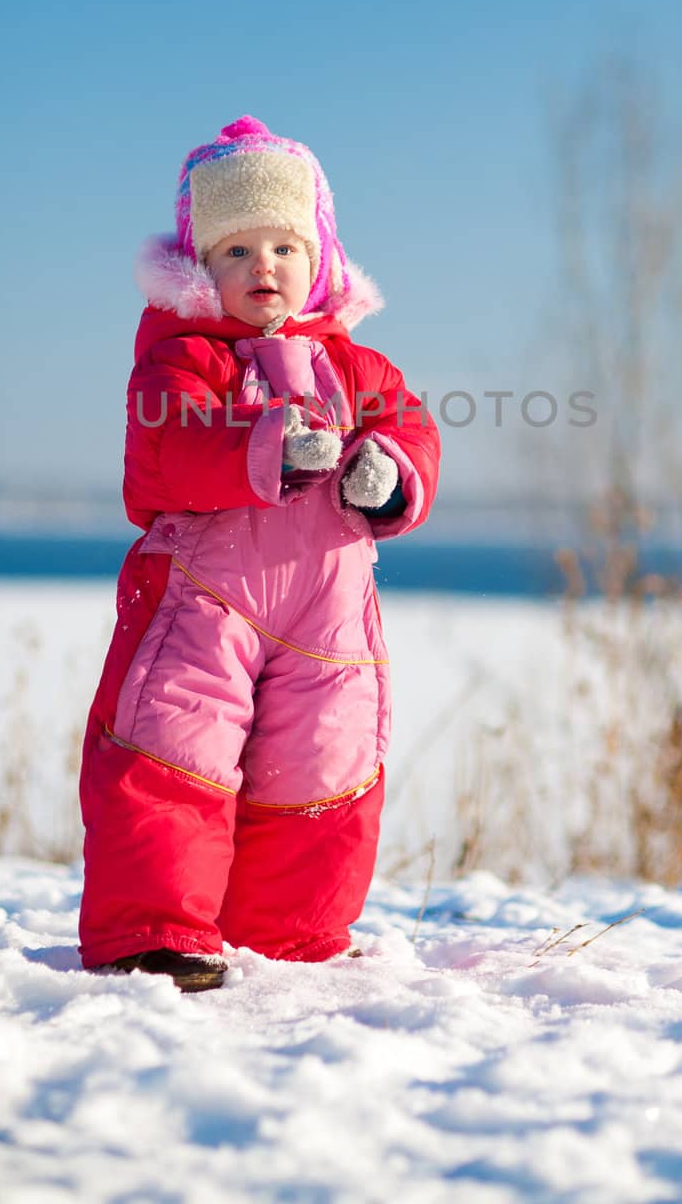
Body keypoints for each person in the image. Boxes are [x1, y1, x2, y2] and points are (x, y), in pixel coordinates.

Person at [78, 114, 440, 990]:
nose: (262, 267)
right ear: (200, 266)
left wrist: (384, 473)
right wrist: (262, 446)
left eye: (283, 246)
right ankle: (155, 930)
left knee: (324, 755)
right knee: (176, 744)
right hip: (208, 597)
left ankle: (292, 933)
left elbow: (412, 434)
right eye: (235, 251)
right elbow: (162, 452)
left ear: (317, 260)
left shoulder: (360, 368)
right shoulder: (181, 358)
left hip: (327, 608)